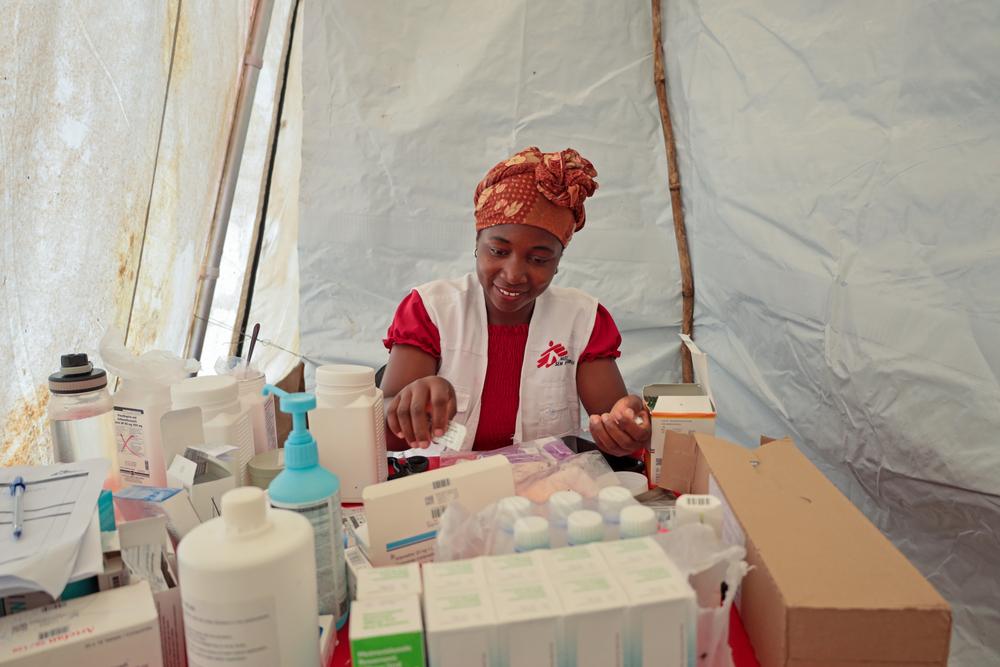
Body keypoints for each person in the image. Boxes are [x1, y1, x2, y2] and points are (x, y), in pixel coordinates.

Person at [381, 146, 651, 456]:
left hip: (543, 492)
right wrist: (406, 404)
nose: (513, 274)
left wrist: (626, 428)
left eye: (538, 259)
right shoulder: (430, 310)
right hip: (444, 490)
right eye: (498, 251)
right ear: (477, 244)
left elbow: (616, 430)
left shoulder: (583, 319)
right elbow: (385, 433)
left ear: (558, 262)